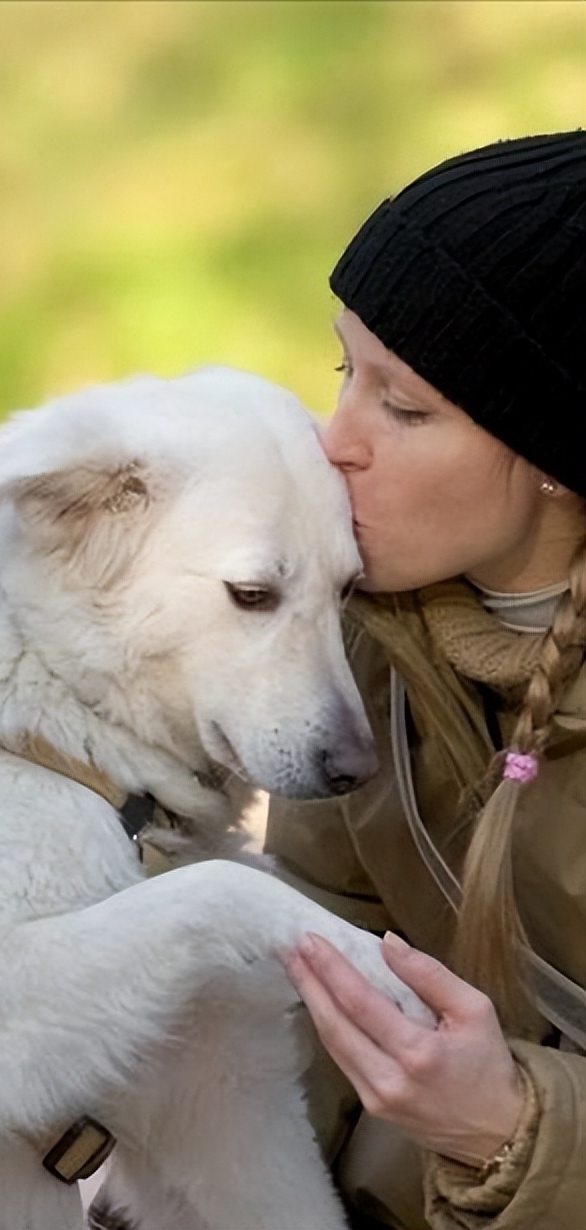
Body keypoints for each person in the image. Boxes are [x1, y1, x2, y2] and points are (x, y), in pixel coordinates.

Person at [269, 130, 586, 1230]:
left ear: (554, 456)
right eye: (342, 374)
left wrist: (515, 1131)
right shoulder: (357, 634)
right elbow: (304, 944)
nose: (331, 441)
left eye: (402, 409)